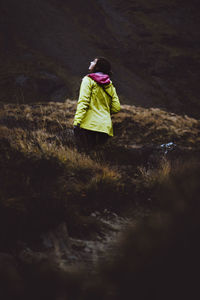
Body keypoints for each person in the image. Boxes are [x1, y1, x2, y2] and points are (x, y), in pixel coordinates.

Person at [73, 57, 121, 151]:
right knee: (98, 157)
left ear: (98, 67)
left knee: (84, 156)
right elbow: (116, 107)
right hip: (105, 127)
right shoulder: (110, 84)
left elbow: (84, 102)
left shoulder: (88, 80)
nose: (91, 62)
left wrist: (77, 122)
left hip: (89, 125)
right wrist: (104, 110)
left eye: (94, 61)